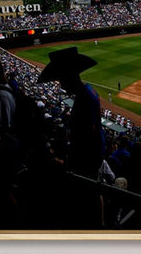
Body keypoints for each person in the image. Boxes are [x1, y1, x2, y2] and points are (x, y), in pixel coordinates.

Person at [38, 46, 104, 178]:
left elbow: (86, 136)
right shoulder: (87, 90)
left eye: (62, 80)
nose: (61, 85)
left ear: (69, 77)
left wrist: (68, 162)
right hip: (92, 156)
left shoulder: (84, 98)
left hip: (86, 161)